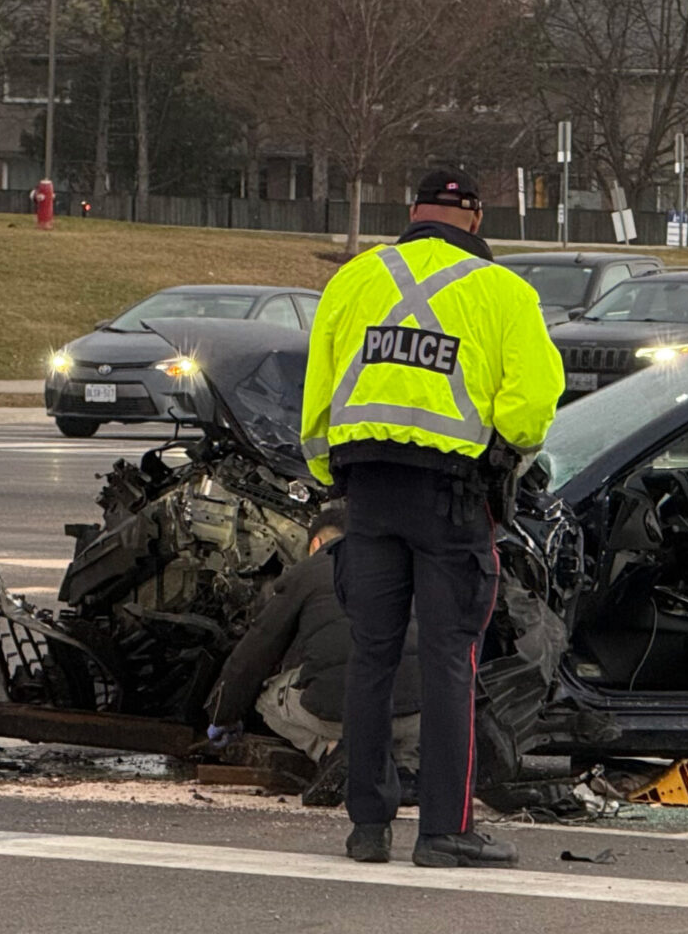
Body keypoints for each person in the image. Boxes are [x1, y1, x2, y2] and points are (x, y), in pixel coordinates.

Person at [301, 167, 563, 868]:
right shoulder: (504, 291)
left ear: (409, 211)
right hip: (451, 499)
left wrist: (333, 478)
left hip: (368, 496)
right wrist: (505, 458)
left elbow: (319, 395)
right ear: (475, 220)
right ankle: (444, 829)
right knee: (450, 659)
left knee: (373, 657)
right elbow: (535, 400)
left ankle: (367, 826)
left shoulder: (354, 280)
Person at [202, 506, 422, 809]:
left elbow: (254, 655)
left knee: (269, 696)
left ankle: (333, 751)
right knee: (407, 680)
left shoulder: (307, 572)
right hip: (418, 714)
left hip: (341, 717)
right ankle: (406, 772)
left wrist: (222, 715)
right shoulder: (403, 567)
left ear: (316, 544)